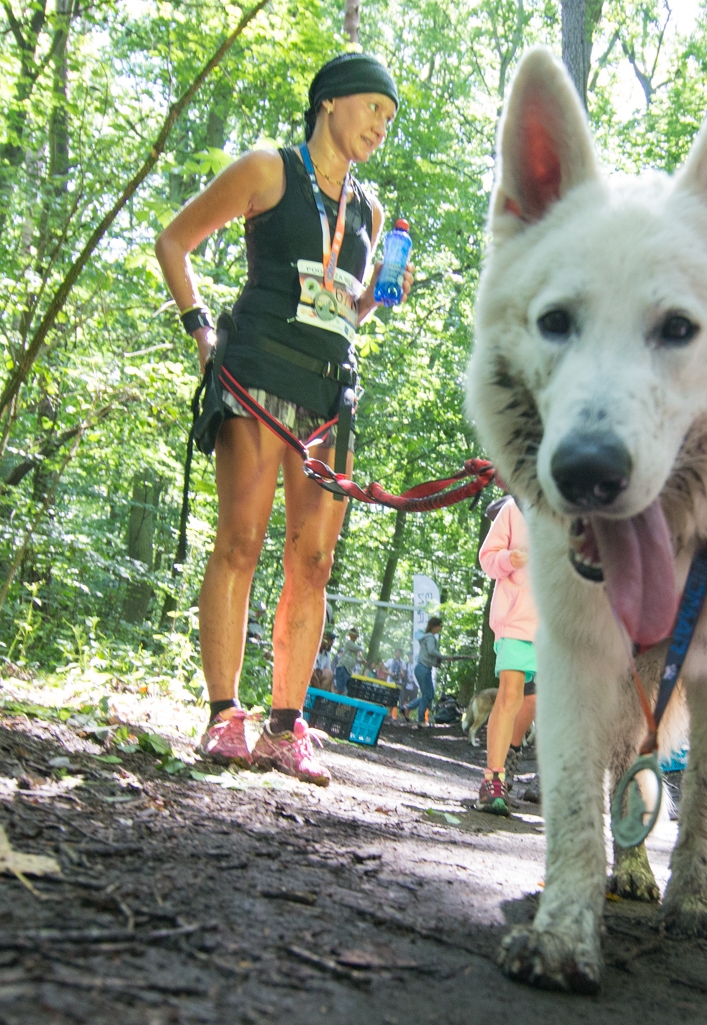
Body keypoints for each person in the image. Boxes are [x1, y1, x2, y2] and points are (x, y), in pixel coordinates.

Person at [154, 53, 412, 785]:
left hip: (331, 395)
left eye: (389, 120)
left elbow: (344, 304)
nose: (379, 128)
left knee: (315, 563)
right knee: (239, 540)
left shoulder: (368, 210)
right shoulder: (268, 168)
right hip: (257, 374)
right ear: (330, 101)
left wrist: (378, 300)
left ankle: (284, 724)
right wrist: (200, 328)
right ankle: (223, 715)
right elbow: (174, 242)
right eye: (373, 109)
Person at [475, 496, 539, 816]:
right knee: (510, 696)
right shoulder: (515, 508)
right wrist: (511, 558)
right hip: (516, 622)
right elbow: (487, 558)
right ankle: (493, 780)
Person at [404, 617, 443, 725]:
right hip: (423, 669)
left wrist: (436, 662)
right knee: (427, 695)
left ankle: (407, 707)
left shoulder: (427, 638)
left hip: (423, 668)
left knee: (429, 695)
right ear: (435, 626)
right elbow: (431, 651)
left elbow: (427, 655)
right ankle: (421, 720)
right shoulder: (430, 637)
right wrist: (442, 656)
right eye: (440, 626)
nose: (440, 628)